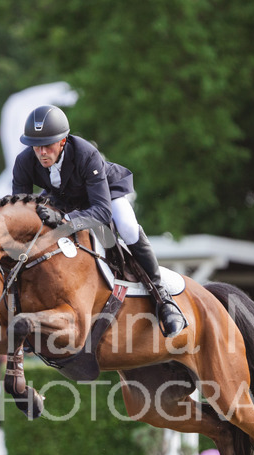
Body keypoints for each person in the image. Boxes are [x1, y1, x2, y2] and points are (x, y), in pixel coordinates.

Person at [12, 105, 186, 337]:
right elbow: (20, 211)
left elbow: (102, 211)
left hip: (104, 195)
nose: (42, 152)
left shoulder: (86, 154)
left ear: (62, 141)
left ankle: (163, 299)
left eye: (48, 145)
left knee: (128, 227)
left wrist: (64, 219)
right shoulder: (24, 161)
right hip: (64, 199)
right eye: (36, 146)